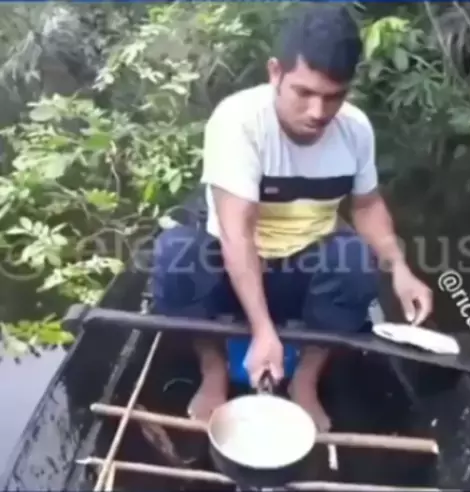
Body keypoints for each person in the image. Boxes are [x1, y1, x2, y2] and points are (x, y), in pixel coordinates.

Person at [151, 4, 432, 431]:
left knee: (356, 261)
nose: (318, 112)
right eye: (304, 92)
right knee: (175, 255)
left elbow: (366, 206)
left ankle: (305, 380)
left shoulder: (356, 130)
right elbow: (237, 234)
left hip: (301, 273)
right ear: (275, 73)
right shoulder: (239, 121)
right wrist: (263, 330)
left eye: (333, 96)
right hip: (234, 270)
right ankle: (213, 370)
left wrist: (401, 271)